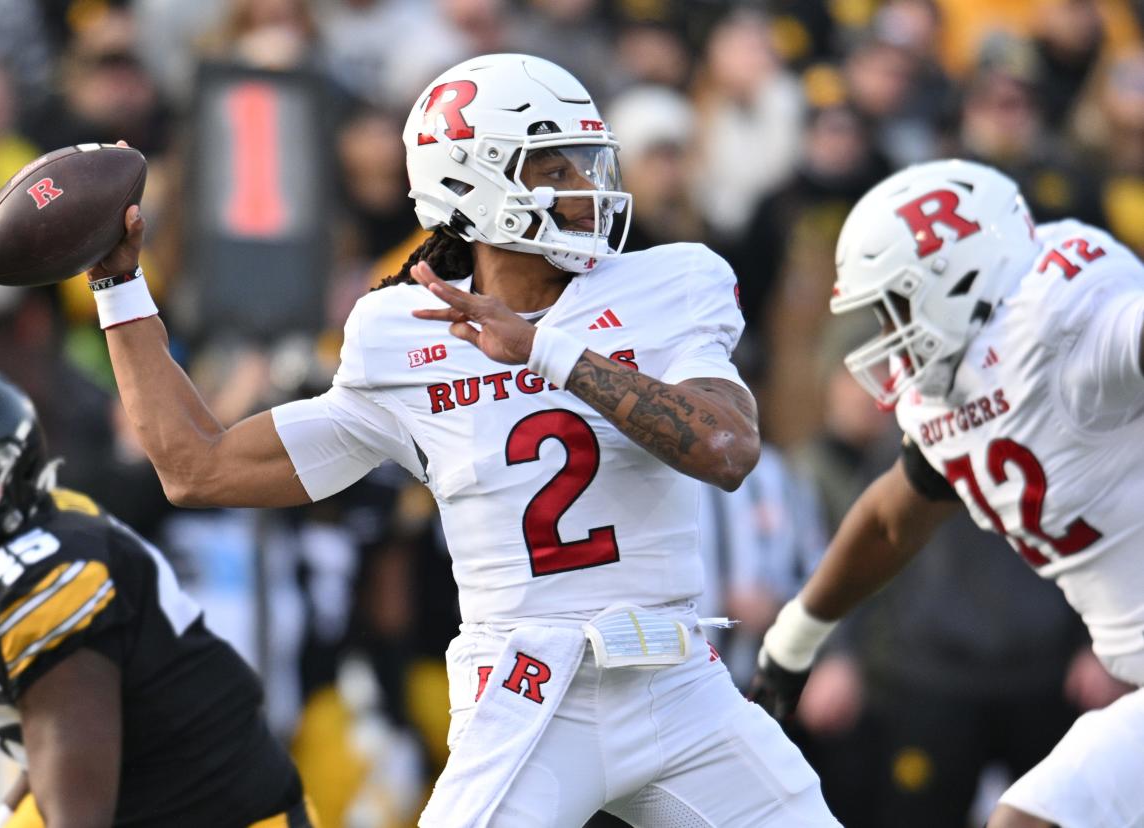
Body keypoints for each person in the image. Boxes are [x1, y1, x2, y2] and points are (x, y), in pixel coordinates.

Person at [84, 53, 838, 825]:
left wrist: (547, 350)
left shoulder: (670, 283)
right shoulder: (399, 333)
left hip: (681, 681)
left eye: (588, 163)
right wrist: (119, 287)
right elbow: (195, 468)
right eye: (555, 168)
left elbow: (726, 450)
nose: (588, 189)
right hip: (531, 689)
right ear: (474, 184)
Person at [749, 158, 1144, 828]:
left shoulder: (1070, 323)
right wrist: (795, 639)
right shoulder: (963, 383)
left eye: (893, 307)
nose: (887, 339)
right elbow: (893, 519)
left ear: (956, 279)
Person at [0, 363, 319, 827]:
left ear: (8, 475)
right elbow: (56, 724)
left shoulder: (41, 582)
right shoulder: (45, 530)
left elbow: (76, 803)